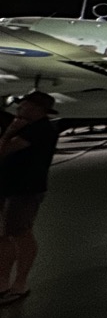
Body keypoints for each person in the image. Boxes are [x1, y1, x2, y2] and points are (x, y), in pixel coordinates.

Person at [0, 91, 60, 304]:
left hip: (25, 189)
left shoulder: (40, 130)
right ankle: (4, 282)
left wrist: (8, 132)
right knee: (6, 234)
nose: (18, 109)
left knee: (20, 233)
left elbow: (3, 150)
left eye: (23, 105)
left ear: (37, 109)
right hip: (10, 187)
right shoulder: (32, 127)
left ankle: (20, 284)